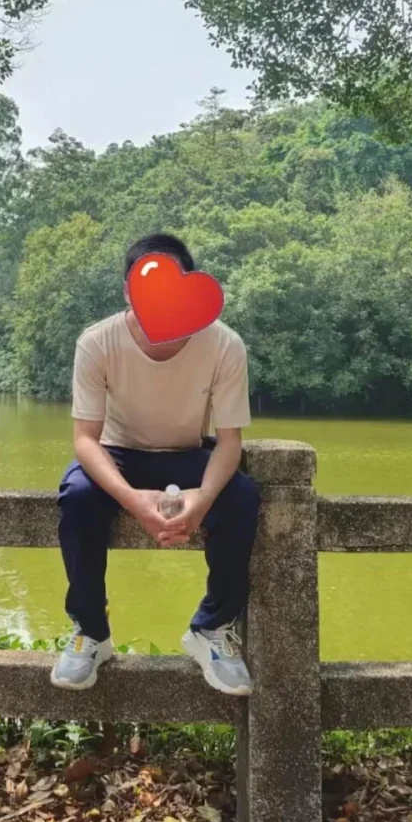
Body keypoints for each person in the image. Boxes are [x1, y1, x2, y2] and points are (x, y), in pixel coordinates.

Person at [51, 233, 260, 695]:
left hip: (187, 453)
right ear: (128, 292)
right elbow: (85, 440)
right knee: (78, 497)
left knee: (242, 498)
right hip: (118, 453)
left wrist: (203, 500)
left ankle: (211, 628)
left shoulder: (224, 345)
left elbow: (229, 443)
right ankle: (91, 630)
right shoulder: (98, 342)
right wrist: (134, 502)